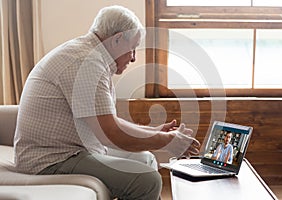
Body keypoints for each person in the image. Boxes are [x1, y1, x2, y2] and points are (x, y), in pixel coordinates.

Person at [13, 5, 201, 200]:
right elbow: (110, 134)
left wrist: (156, 132)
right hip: (51, 160)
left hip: (72, 149)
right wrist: (167, 141)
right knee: (147, 180)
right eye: (132, 49)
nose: (134, 57)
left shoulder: (89, 55)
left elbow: (111, 123)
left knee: (145, 158)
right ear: (117, 38)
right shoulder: (86, 63)